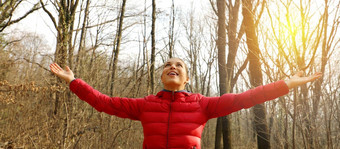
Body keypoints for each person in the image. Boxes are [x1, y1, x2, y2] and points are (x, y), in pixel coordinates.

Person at [49, 58, 322, 149]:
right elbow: (103, 102)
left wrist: (286, 84)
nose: (172, 66)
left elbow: (246, 98)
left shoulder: (202, 104)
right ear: (161, 75)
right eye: (167, 64)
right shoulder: (145, 105)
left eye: (179, 65)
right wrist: (74, 81)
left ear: (186, 77)